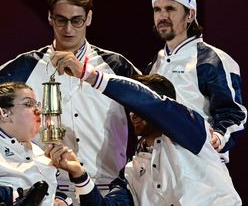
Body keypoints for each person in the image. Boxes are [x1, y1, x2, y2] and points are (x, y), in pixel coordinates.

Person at [0, 0, 141, 201]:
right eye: (61, 20)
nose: (68, 29)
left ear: (89, 18)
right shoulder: (23, 68)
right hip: (46, 191)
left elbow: (156, 107)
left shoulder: (116, 67)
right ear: (50, 18)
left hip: (105, 190)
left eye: (76, 20)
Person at [44, 57, 241, 205]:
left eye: (138, 107)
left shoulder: (191, 131)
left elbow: (152, 104)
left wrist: (89, 74)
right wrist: (79, 173)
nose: (133, 113)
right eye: (130, 108)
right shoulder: (130, 172)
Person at [146, 0, 246, 159]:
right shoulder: (156, 62)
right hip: (159, 165)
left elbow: (234, 113)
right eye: (157, 9)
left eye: (170, 9)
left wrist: (219, 138)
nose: (162, 16)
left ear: (190, 14)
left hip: (200, 166)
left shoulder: (213, 59)